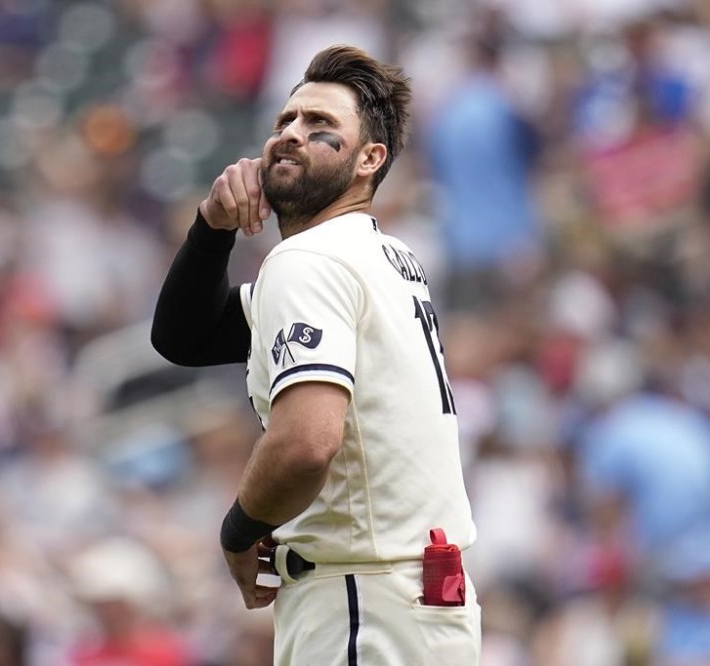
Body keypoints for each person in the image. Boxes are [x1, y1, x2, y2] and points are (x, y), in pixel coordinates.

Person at [151, 45, 481, 665]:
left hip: (363, 598)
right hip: (413, 597)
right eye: (285, 122)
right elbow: (184, 336)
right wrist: (211, 225)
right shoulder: (381, 256)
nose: (291, 135)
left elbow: (307, 442)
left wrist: (239, 530)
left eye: (321, 127)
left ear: (369, 160)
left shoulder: (309, 261)